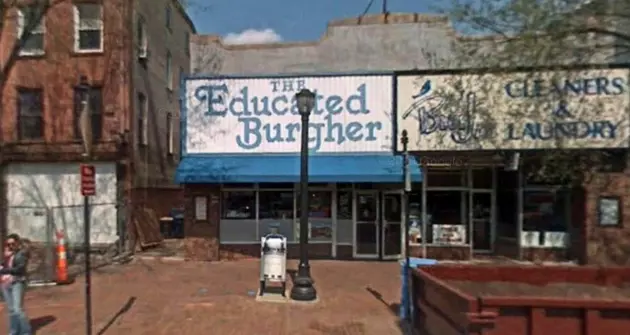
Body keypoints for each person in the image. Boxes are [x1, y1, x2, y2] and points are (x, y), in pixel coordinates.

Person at [1, 234, 32, 335]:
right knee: (11, 310)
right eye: (8, 244)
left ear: (18, 243)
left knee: (18, 309)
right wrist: (5, 258)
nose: (10, 246)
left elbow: (20, 269)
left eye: (12, 243)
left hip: (17, 282)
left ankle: (26, 332)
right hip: (5, 283)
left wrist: (4, 270)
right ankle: (14, 331)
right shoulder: (7, 254)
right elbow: (2, 265)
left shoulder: (22, 253)